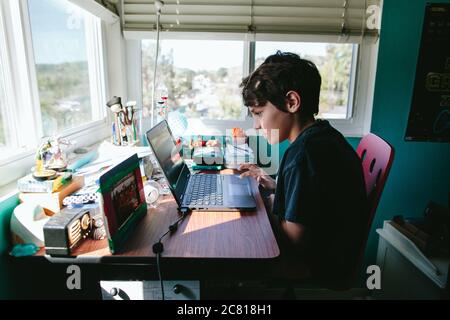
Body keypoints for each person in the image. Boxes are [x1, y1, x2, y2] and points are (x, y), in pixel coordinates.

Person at [239, 51, 368, 288]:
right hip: (333, 255)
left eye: (259, 113)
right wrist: (277, 186)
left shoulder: (304, 155)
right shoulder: (322, 136)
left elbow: (295, 238)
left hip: (316, 267)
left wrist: (265, 202)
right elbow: (317, 198)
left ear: (291, 102)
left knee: (233, 260)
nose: (256, 125)